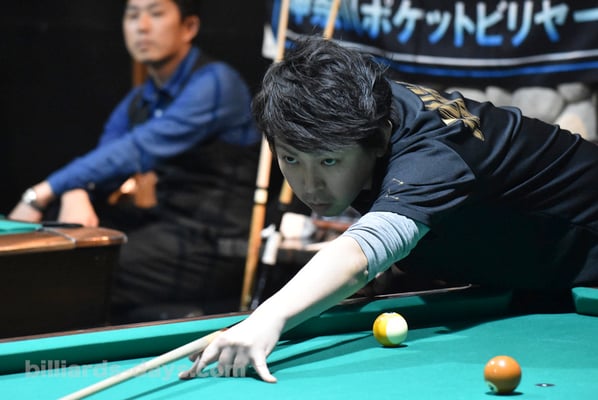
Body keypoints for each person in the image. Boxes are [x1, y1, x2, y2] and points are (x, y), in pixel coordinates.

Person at [178, 36, 598, 382]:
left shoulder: (433, 155)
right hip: (535, 270)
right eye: (291, 159)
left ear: (379, 140)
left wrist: (266, 317)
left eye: (328, 162)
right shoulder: (352, 109)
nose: (309, 185)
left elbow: (365, 250)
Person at [8, 0, 261, 319]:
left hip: (214, 243)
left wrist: (38, 194)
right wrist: (75, 190)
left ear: (189, 27)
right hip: (161, 227)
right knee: (58, 228)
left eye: (155, 13)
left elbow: (137, 149)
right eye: (132, 15)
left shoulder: (216, 83)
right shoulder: (140, 99)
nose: (141, 26)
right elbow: (102, 161)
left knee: (76, 267)